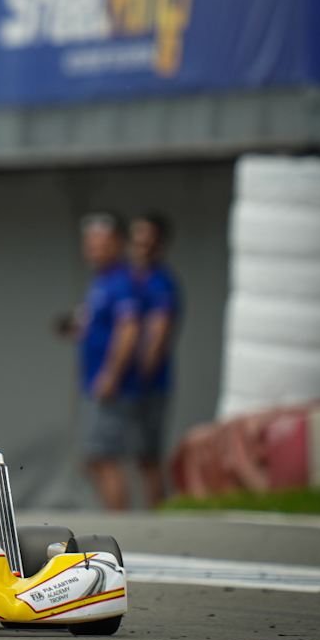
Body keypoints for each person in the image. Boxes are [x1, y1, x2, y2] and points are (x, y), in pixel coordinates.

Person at [74, 212, 141, 511]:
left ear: (117, 242)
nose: (94, 249)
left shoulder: (121, 280)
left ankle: (119, 522)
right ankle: (113, 515)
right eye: (90, 243)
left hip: (110, 385)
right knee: (94, 456)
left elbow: (129, 328)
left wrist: (111, 374)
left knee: (104, 456)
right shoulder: (101, 281)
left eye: (102, 242)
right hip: (95, 381)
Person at [128, 213, 180, 509]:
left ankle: (157, 510)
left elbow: (158, 332)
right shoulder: (134, 280)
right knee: (139, 454)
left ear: (161, 244)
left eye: (148, 239)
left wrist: (142, 374)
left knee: (148, 454)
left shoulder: (160, 283)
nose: (142, 245)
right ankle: (152, 509)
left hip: (148, 385)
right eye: (137, 239)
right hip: (137, 386)